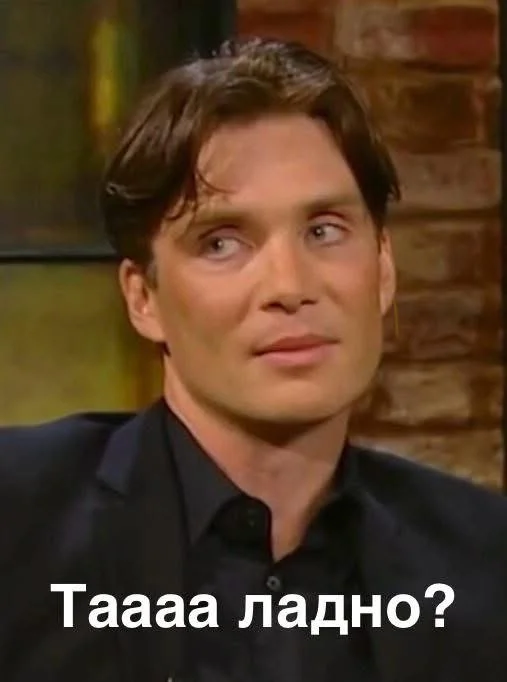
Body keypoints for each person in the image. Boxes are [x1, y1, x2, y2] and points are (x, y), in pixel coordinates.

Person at [0, 38, 506, 682]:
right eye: (222, 242)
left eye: (324, 230)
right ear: (143, 297)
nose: (290, 286)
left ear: (382, 269)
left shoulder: (486, 561)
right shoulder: (17, 523)